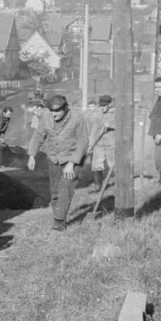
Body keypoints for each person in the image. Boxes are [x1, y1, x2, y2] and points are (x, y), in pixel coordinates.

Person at [27, 95, 88, 231]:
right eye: (51, 111)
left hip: (73, 158)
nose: (53, 114)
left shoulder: (77, 118)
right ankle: (60, 216)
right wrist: (32, 155)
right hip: (54, 158)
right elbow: (38, 135)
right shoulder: (46, 116)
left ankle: (58, 222)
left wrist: (72, 163)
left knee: (65, 188)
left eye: (57, 111)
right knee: (55, 191)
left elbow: (83, 142)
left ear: (65, 108)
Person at [87, 95, 115, 191]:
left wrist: (111, 126)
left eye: (105, 106)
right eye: (101, 106)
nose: (102, 108)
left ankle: (118, 184)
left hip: (111, 143)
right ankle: (98, 185)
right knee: (96, 165)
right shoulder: (97, 114)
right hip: (98, 143)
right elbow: (94, 130)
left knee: (113, 164)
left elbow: (123, 127)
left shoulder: (116, 113)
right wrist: (90, 145)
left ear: (110, 104)